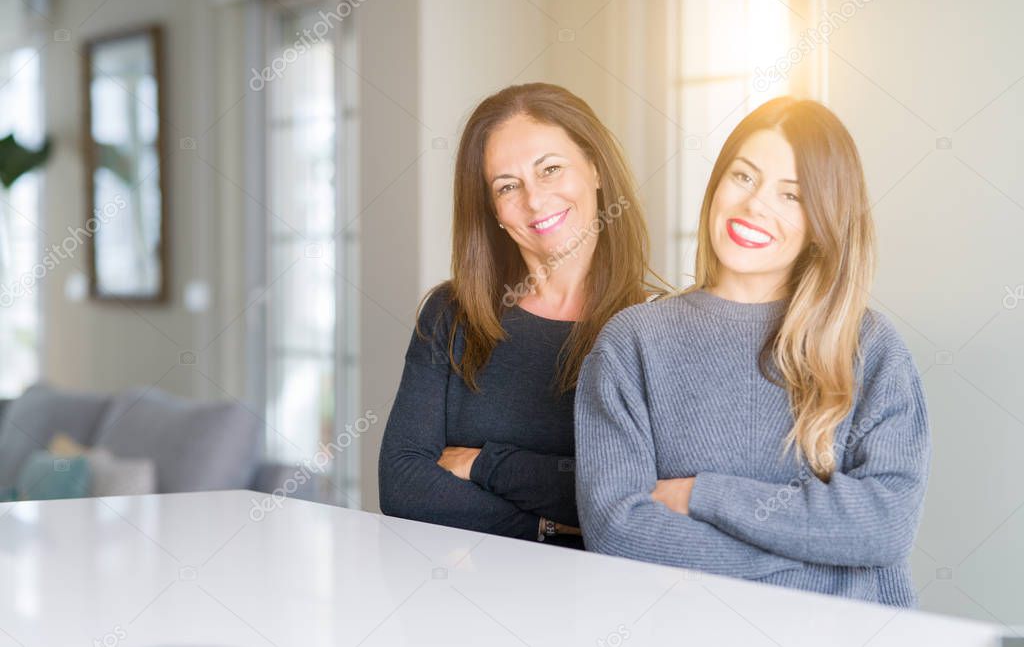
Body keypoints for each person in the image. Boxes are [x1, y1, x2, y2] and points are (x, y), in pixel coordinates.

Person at [575, 97, 930, 606]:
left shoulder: (870, 347)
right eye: (744, 177)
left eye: (792, 195)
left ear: (822, 222)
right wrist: (826, 554)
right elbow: (619, 531)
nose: (755, 205)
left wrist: (704, 494)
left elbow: (886, 525)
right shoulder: (633, 342)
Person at [379, 83, 665, 546]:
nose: (534, 200)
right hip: (458, 599)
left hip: (596, 603)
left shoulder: (656, 327)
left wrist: (484, 464)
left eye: (550, 169)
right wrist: (546, 529)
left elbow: (640, 495)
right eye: (507, 186)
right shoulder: (451, 315)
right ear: (492, 210)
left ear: (595, 168)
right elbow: (402, 485)